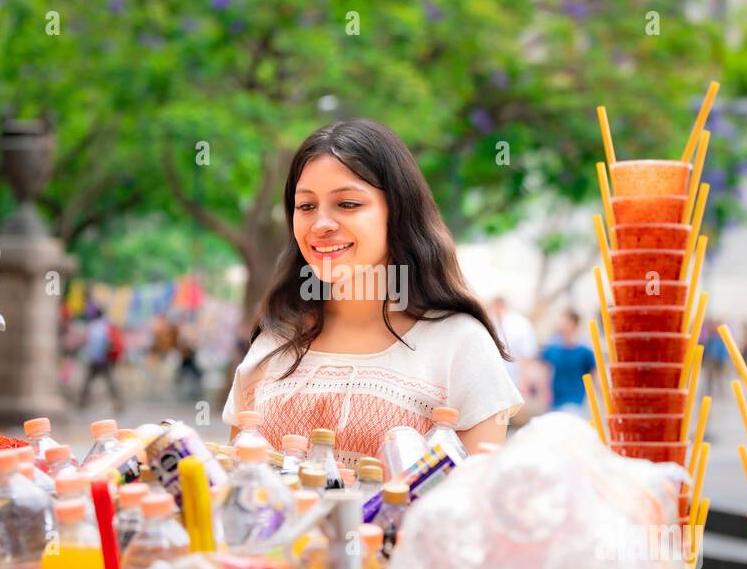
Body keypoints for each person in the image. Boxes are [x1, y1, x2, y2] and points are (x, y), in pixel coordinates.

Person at [222, 119, 523, 467]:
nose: (321, 224)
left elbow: (469, 510)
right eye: (306, 206)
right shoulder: (273, 343)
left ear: (398, 211)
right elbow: (238, 490)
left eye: (347, 204)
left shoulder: (460, 346)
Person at [540, 310, 595, 413]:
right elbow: (544, 372)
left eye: (564, 321)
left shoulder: (585, 351)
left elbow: (594, 375)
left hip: (576, 401)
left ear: (573, 324)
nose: (560, 324)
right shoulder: (552, 349)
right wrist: (545, 393)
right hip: (555, 402)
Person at [491, 296, 539, 399]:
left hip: (514, 382)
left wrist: (524, 384)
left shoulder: (520, 324)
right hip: (496, 383)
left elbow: (526, 356)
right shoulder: (492, 322)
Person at [78, 306, 123, 410]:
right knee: (111, 382)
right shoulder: (106, 326)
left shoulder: (91, 326)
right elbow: (110, 343)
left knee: (87, 382)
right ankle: (118, 403)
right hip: (104, 359)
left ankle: (82, 402)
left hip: (94, 359)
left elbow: (86, 341)